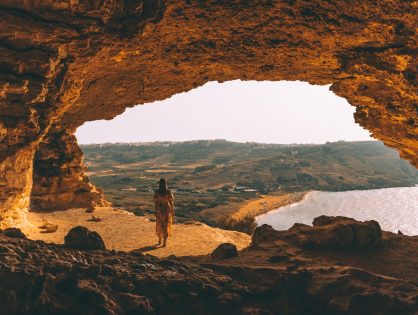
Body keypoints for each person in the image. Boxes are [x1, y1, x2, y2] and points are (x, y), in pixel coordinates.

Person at [153, 178, 174, 247]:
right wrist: (172, 210)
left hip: (159, 210)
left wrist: (155, 211)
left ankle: (159, 240)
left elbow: (156, 203)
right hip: (166, 210)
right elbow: (171, 202)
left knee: (159, 225)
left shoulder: (157, 192)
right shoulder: (168, 191)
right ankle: (164, 243)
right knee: (166, 226)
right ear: (165, 184)